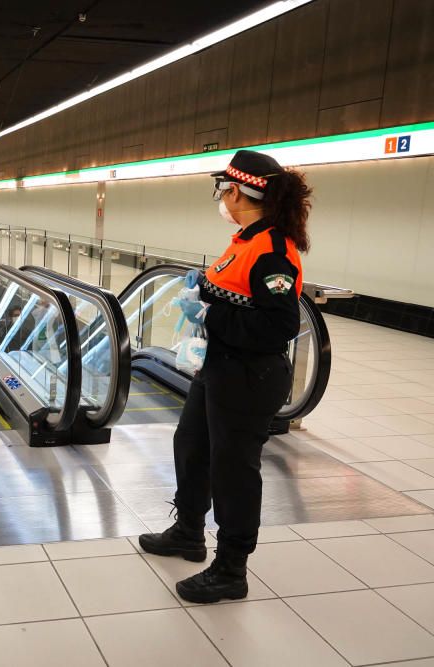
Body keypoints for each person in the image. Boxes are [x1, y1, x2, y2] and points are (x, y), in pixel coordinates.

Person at [136, 149, 310, 604]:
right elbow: (235, 294)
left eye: (222, 190)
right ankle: (188, 530)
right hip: (220, 367)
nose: (220, 198)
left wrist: (209, 315)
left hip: (249, 375)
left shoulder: (272, 249)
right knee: (191, 444)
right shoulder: (245, 239)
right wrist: (205, 289)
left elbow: (280, 324)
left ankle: (231, 568)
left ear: (237, 191)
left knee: (234, 470)